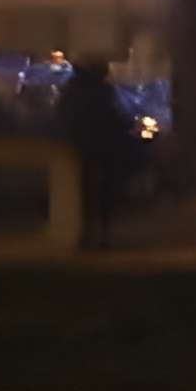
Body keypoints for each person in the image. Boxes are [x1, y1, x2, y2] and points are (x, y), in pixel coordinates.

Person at [58, 59, 131, 250]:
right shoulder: (101, 91)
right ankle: (99, 232)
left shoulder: (73, 91)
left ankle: (87, 233)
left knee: (85, 193)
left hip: (81, 148)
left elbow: (64, 118)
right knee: (100, 193)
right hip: (97, 148)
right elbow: (114, 117)